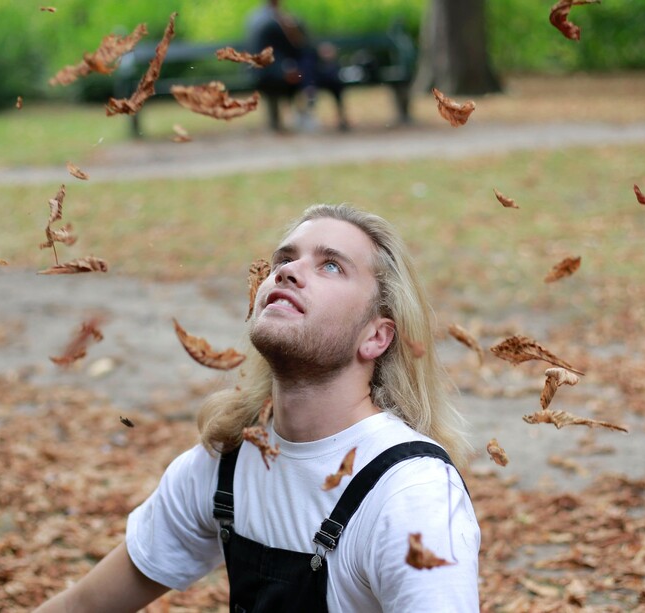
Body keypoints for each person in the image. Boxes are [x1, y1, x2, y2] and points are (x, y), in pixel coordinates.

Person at [34, 204, 479, 612]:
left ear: (376, 336)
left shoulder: (410, 494)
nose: (288, 272)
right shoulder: (227, 462)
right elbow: (84, 606)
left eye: (330, 265)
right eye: (284, 259)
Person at [245, 0, 348, 132]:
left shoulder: (288, 18)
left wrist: (321, 51)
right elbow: (262, 55)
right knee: (302, 72)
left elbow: (304, 46)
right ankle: (306, 100)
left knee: (315, 70)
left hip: (298, 70)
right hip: (272, 73)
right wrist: (282, 71)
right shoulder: (262, 22)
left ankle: (308, 100)